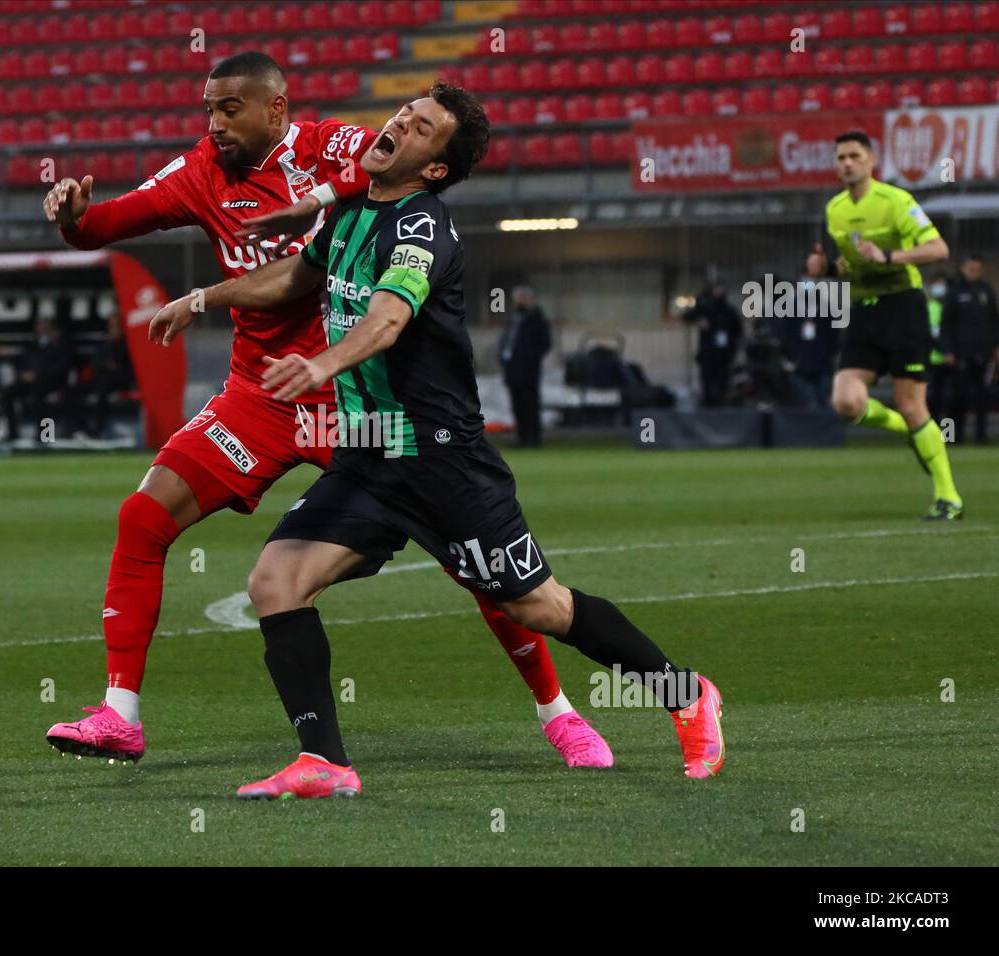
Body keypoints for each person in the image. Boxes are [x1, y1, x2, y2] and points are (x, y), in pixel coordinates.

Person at [151, 84, 725, 798]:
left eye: (420, 127)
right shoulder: (353, 207)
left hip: (440, 460)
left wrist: (324, 362)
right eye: (403, 113)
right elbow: (292, 278)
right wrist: (203, 298)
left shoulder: (423, 227)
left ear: (434, 168)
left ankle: (687, 695)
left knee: (538, 607)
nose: (398, 124)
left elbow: (390, 316)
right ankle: (324, 762)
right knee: (276, 580)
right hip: (368, 454)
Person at [42, 52, 607, 770]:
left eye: (228, 109)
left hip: (359, 396)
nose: (213, 124)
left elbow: (380, 165)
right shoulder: (197, 174)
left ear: (276, 109)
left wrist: (314, 201)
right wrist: (74, 218)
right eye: (208, 109)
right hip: (263, 394)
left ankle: (557, 712)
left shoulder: (331, 145)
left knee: (475, 562)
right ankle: (119, 715)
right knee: (144, 515)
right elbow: (103, 227)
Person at [806, 129, 959, 520]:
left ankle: (948, 497)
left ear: (872, 161)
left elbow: (939, 249)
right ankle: (914, 431)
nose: (847, 163)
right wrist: (824, 270)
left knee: (912, 403)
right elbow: (846, 265)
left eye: (854, 156)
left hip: (903, 309)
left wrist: (890, 256)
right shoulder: (834, 209)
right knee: (845, 402)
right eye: (841, 157)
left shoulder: (896, 201)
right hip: (862, 311)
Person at [940, 254, 999, 444]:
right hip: (960, 355)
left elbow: (994, 321)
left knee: (983, 397)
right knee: (958, 398)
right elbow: (945, 325)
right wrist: (947, 350)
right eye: (972, 269)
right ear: (963, 269)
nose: (975, 273)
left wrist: (996, 347)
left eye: (978, 269)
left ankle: (981, 437)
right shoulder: (954, 293)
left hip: (984, 354)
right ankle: (952, 437)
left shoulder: (986, 291)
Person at [1, 317, 73, 442]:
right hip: (29, 381)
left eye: (45, 325)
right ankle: (12, 435)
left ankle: (43, 436)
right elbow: (23, 362)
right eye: (39, 325)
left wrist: (38, 375)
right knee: (7, 393)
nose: (41, 328)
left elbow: (62, 367)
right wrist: (24, 374)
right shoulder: (33, 344)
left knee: (38, 395)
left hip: (51, 382)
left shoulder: (60, 344)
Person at [498, 285, 551, 446]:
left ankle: (533, 439)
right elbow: (506, 340)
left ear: (529, 299)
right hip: (513, 368)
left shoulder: (538, 319)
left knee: (530, 404)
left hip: (529, 370)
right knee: (517, 405)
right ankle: (521, 438)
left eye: (522, 298)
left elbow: (545, 344)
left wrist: (529, 358)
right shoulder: (514, 318)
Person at [780, 274, 840, 409]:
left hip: (822, 362)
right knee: (807, 402)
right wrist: (791, 357)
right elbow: (786, 335)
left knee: (823, 399)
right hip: (800, 363)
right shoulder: (792, 309)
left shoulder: (825, 307)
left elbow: (833, 334)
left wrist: (829, 354)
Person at [684, 283, 742, 407]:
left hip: (725, 353)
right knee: (707, 382)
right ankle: (708, 404)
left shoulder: (729, 310)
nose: (719, 292)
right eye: (717, 290)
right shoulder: (705, 308)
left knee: (723, 382)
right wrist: (699, 320)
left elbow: (738, 331)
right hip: (708, 352)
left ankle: (721, 403)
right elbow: (687, 316)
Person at [925, 271, 953, 420]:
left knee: (947, 399)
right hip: (933, 359)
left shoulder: (948, 307)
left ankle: (949, 434)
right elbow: (930, 335)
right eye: (937, 284)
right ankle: (932, 429)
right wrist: (944, 351)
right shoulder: (928, 307)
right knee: (933, 397)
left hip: (949, 359)